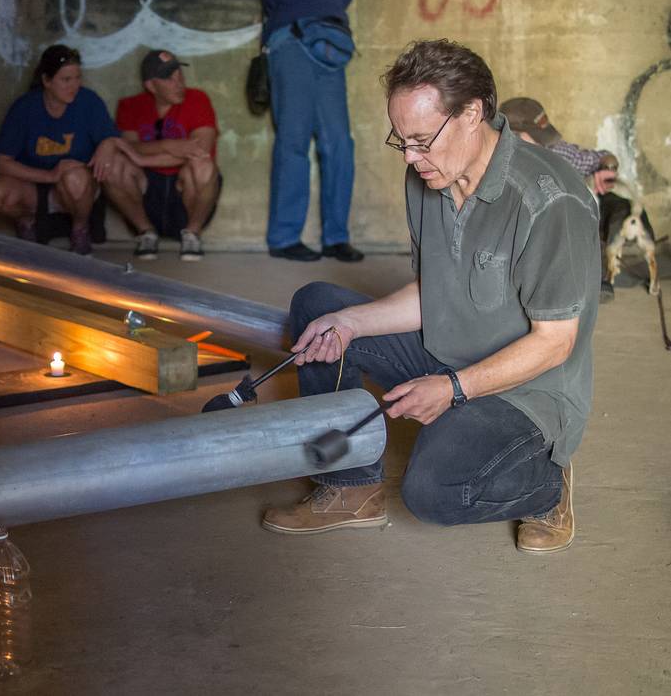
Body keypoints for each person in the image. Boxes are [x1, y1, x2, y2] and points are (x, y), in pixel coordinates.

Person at [262, 40, 600, 555]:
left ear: (471, 113)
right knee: (319, 309)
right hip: (448, 352)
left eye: (422, 140)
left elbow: (554, 344)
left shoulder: (548, 200)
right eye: (402, 141)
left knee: (431, 493)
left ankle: (545, 483)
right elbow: (435, 288)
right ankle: (352, 489)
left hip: (529, 391)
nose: (413, 157)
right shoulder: (428, 177)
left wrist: (454, 388)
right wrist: (350, 322)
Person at [0, 45, 122, 256]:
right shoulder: (25, 107)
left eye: (77, 78)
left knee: (74, 178)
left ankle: (80, 231)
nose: (74, 85)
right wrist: (49, 175)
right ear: (47, 81)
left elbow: (111, 136)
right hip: (34, 188)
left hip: (75, 189)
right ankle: (27, 223)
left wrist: (107, 143)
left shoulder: (88, 101)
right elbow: (2, 163)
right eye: (66, 80)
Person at [262, 0, 363, 262]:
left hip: (331, 36)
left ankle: (336, 238)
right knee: (294, 140)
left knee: (340, 143)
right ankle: (284, 238)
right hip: (291, 35)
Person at [499, 97, 629, 303]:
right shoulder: (497, 159)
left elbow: (603, 157)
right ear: (511, 133)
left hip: (557, 236)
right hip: (512, 242)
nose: (542, 142)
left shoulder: (553, 150)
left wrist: (607, 169)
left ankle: (589, 273)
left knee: (585, 196)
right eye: (534, 136)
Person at [105, 50, 221, 262]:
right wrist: (169, 145)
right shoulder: (131, 105)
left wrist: (142, 158)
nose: (179, 83)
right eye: (170, 78)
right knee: (113, 165)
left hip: (184, 196)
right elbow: (128, 146)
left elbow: (199, 150)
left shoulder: (198, 99)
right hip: (148, 194)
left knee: (202, 164)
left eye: (180, 76)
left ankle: (192, 234)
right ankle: (146, 232)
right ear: (151, 85)